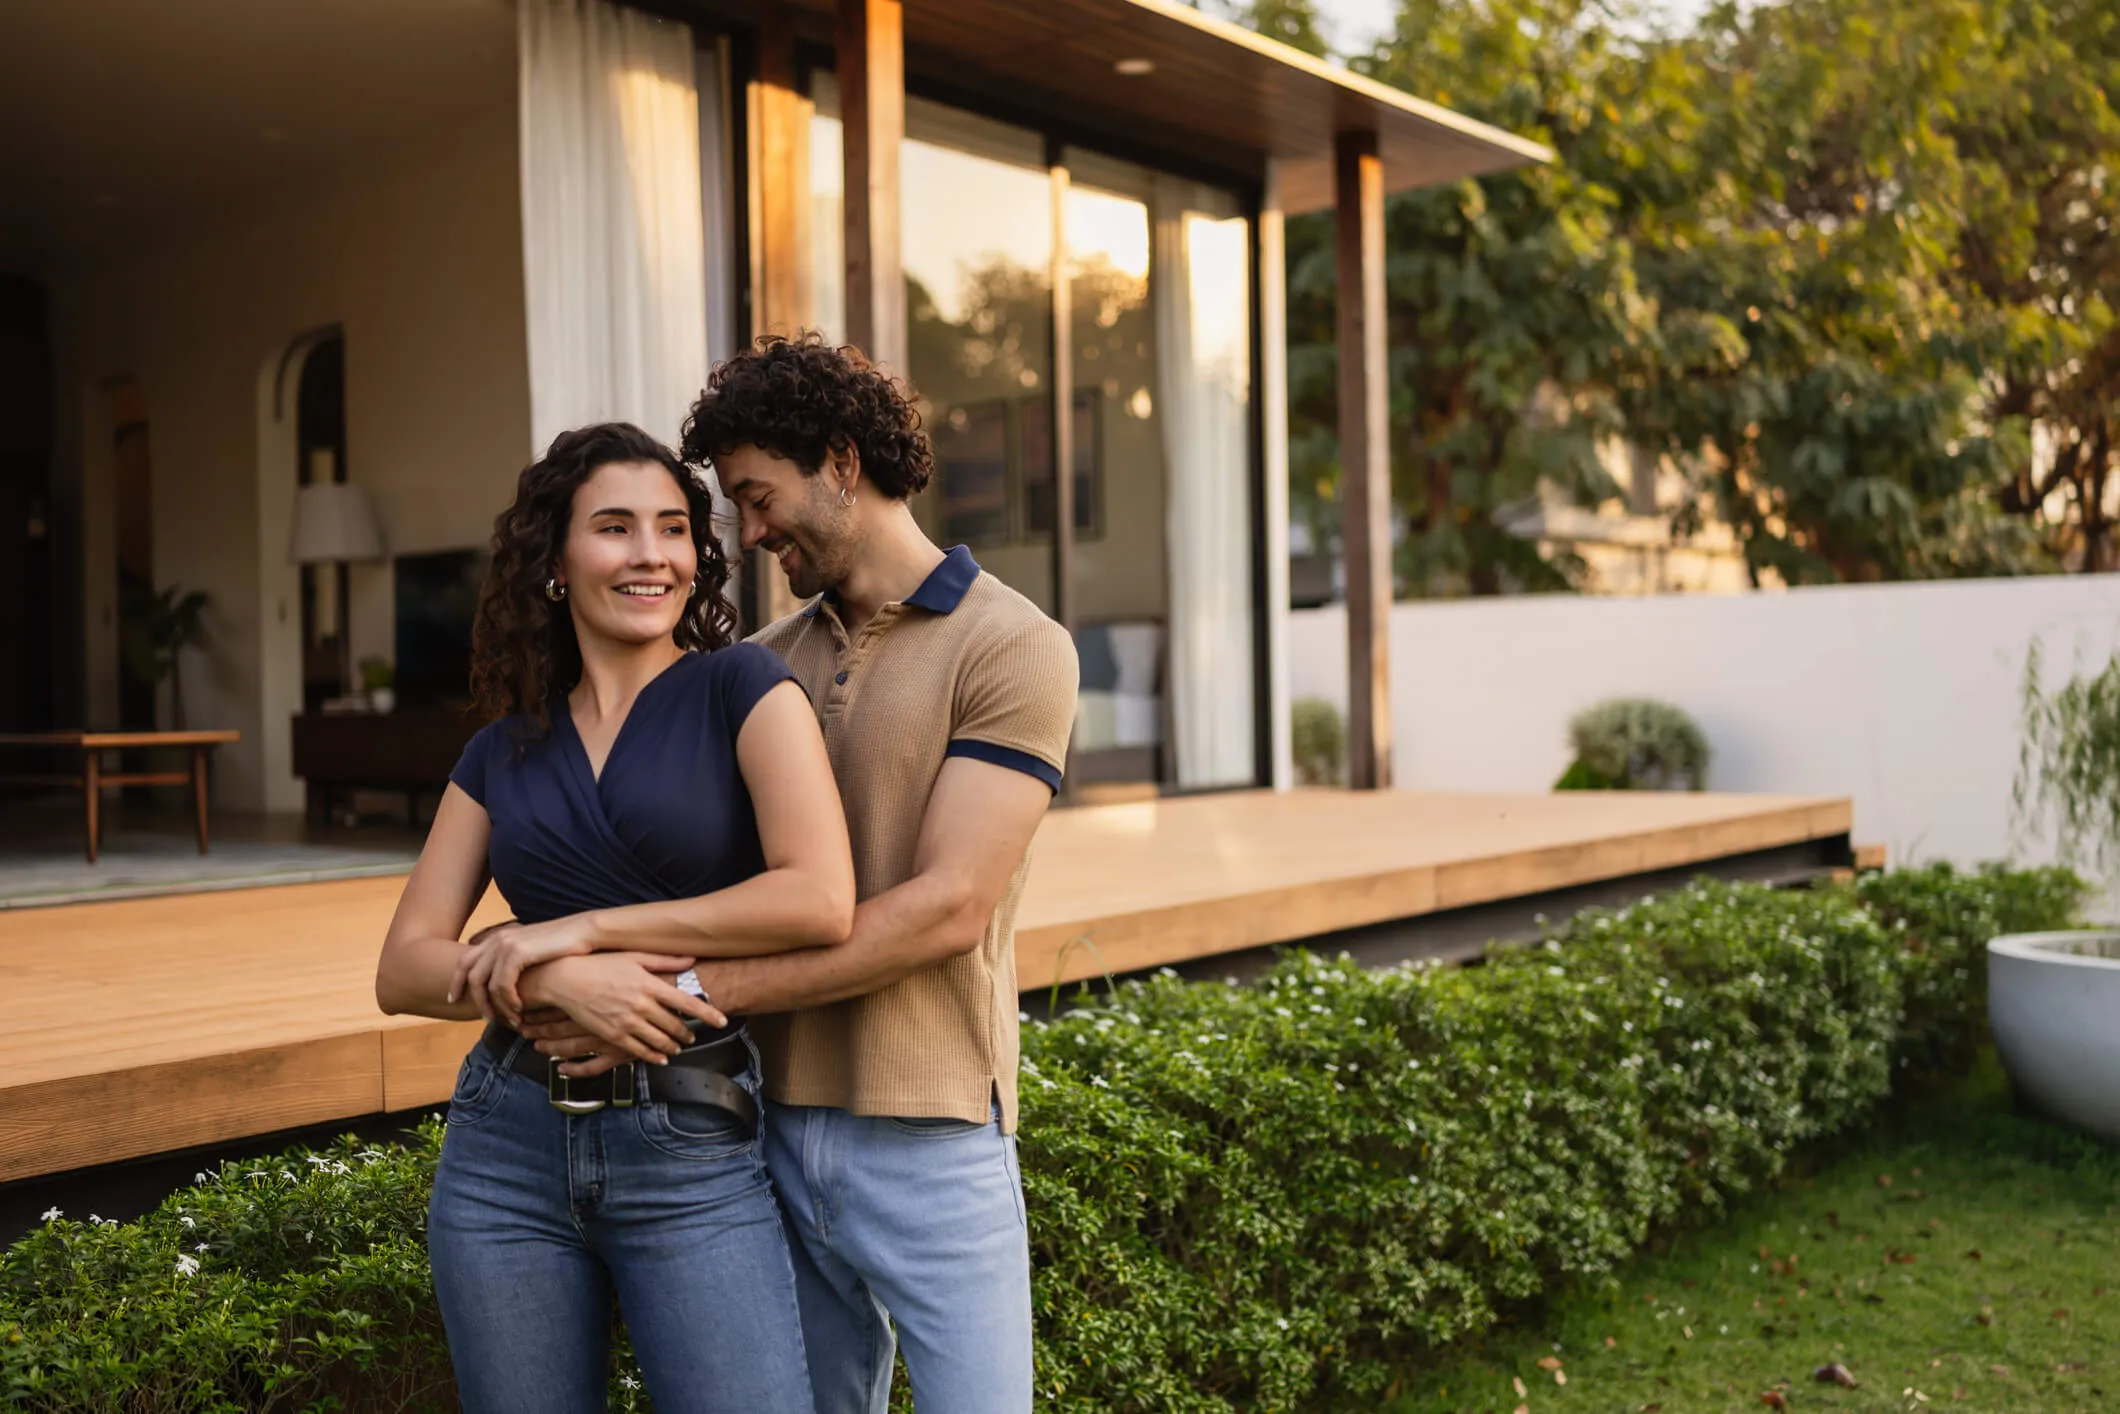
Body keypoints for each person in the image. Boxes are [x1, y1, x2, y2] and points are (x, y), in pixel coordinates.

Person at [527, 334, 1079, 1413]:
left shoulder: (1012, 646)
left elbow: (944, 909)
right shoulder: (760, 666)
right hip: (759, 1126)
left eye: (758, 497)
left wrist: (673, 998)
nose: (753, 531)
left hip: (932, 1133)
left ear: (839, 459)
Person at [373, 421, 853, 1414]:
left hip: (688, 1140)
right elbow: (405, 968)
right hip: (502, 1149)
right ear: (554, 560)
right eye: (616, 527)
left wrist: (579, 933)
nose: (651, 554)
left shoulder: (743, 690)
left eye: (674, 529)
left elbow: (817, 896)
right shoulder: (503, 747)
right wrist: (543, 977)